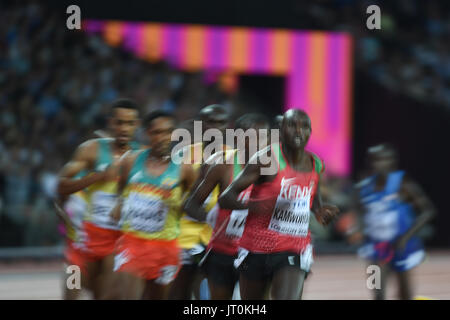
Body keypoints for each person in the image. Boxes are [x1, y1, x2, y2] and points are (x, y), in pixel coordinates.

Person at [219, 109, 339, 300]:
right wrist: (254, 207)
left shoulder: (315, 164)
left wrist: (320, 211)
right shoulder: (265, 159)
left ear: (310, 132)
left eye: (304, 126)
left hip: (293, 248)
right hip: (255, 248)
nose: (298, 131)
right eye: (292, 125)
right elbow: (225, 197)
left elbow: (313, 199)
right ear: (281, 130)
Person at [57, 98, 141, 299]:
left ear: (136, 125)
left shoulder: (141, 156)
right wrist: (97, 176)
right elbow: (61, 185)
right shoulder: (91, 150)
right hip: (83, 238)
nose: (124, 128)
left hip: (115, 239)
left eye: (130, 123)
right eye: (119, 122)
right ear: (111, 122)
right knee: (71, 291)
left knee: (103, 295)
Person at [183, 113, 270, 299]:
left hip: (256, 254)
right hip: (223, 253)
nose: (258, 145)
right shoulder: (223, 165)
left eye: (262, 139)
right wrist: (208, 217)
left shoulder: (274, 168)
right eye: (251, 138)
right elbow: (191, 204)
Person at [110, 110, 195, 299]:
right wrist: (119, 203)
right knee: (127, 295)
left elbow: (194, 203)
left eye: (168, 132)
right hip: (133, 243)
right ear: (148, 133)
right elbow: (120, 188)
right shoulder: (130, 161)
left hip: (166, 247)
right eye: (157, 132)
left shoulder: (184, 169)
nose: (163, 138)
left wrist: (179, 203)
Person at [352, 144, 435, 300]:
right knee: (377, 292)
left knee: (405, 294)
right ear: (369, 162)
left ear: (392, 161)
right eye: (375, 159)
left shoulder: (402, 183)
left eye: (384, 159)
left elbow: (428, 211)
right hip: (375, 248)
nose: (379, 163)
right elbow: (358, 210)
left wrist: (406, 236)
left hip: (401, 246)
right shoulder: (363, 186)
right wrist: (360, 228)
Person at [169, 104, 230, 300]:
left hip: (219, 237)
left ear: (227, 127)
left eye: (220, 122)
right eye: (210, 122)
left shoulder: (234, 156)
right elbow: (171, 192)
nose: (215, 127)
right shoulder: (183, 155)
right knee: (179, 293)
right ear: (200, 125)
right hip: (184, 235)